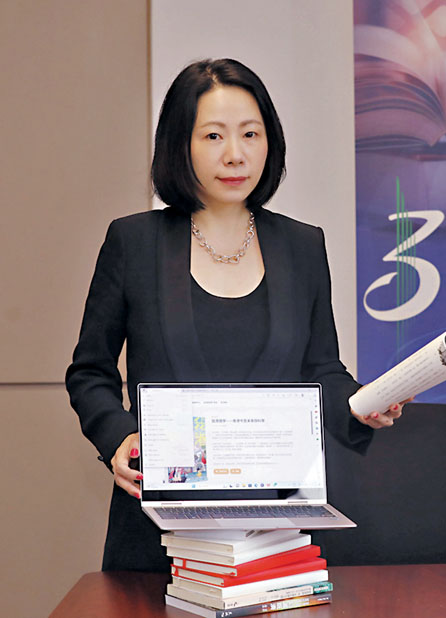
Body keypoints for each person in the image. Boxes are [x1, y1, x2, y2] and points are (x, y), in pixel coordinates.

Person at [66, 58, 409, 572]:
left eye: (251, 134)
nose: (235, 154)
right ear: (180, 144)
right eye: (213, 136)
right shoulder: (134, 242)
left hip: (274, 526)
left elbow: (321, 369)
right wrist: (119, 437)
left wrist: (362, 405)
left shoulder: (302, 245)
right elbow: (90, 371)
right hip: (159, 526)